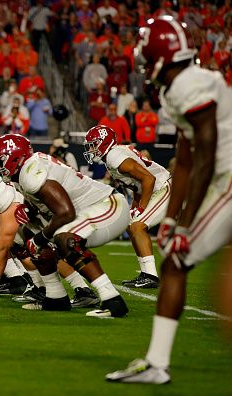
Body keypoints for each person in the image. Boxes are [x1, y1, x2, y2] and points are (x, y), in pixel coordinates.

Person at [106, 16, 232, 384]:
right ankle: (157, 363)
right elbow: (187, 159)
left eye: (146, 54)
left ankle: (158, 364)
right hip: (220, 178)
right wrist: (173, 218)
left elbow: (206, 154)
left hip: (227, 180)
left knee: (177, 260)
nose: (144, 62)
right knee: (182, 264)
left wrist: (187, 223)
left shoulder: (189, 85)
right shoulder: (179, 87)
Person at [0, 134, 130, 317]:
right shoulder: (24, 172)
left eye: (0, 162)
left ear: (15, 157)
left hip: (107, 205)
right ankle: (56, 297)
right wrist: (30, 213)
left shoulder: (30, 172)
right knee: (26, 231)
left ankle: (112, 300)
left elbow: (65, 212)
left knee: (66, 239)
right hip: (84, 211)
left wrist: (41, 238)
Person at [84, 125, 172, 288]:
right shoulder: (112, 157)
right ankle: (147, 273)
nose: (91, 148)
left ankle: (151, 276)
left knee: (137, 226)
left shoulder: (114, 156)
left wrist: (141, 208)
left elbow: (149, 180)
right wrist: (135, 207)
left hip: (162, 187)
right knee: (132, 224)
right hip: (155, 188)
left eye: (94, 144)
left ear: (104, 142)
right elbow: (139, 185)